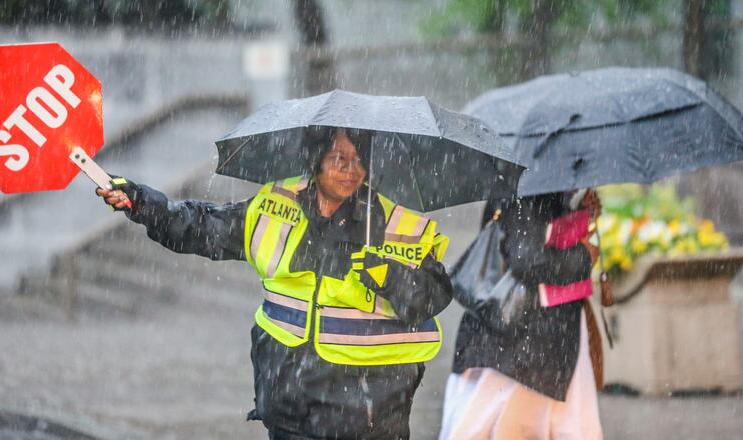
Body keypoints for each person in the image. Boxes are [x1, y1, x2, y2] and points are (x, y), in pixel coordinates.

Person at [98, 128, 452, 439]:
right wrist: (142, 203)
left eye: (359, 160)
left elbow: (432, 297)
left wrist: (389, 275)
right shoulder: (277, 205)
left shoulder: (396, 224)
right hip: (288, 411)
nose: (350, 169)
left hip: (366, 421)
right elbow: (201, 227)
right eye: (338, 158)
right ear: (315, 160)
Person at [439, 190, 603, 440]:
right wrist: (583, 257)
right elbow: (526, 258)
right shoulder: (527, 186)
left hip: (531, 339)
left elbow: (534, 238)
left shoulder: (535, 183)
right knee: (492, 425)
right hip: (520, 339)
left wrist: (578, 209)